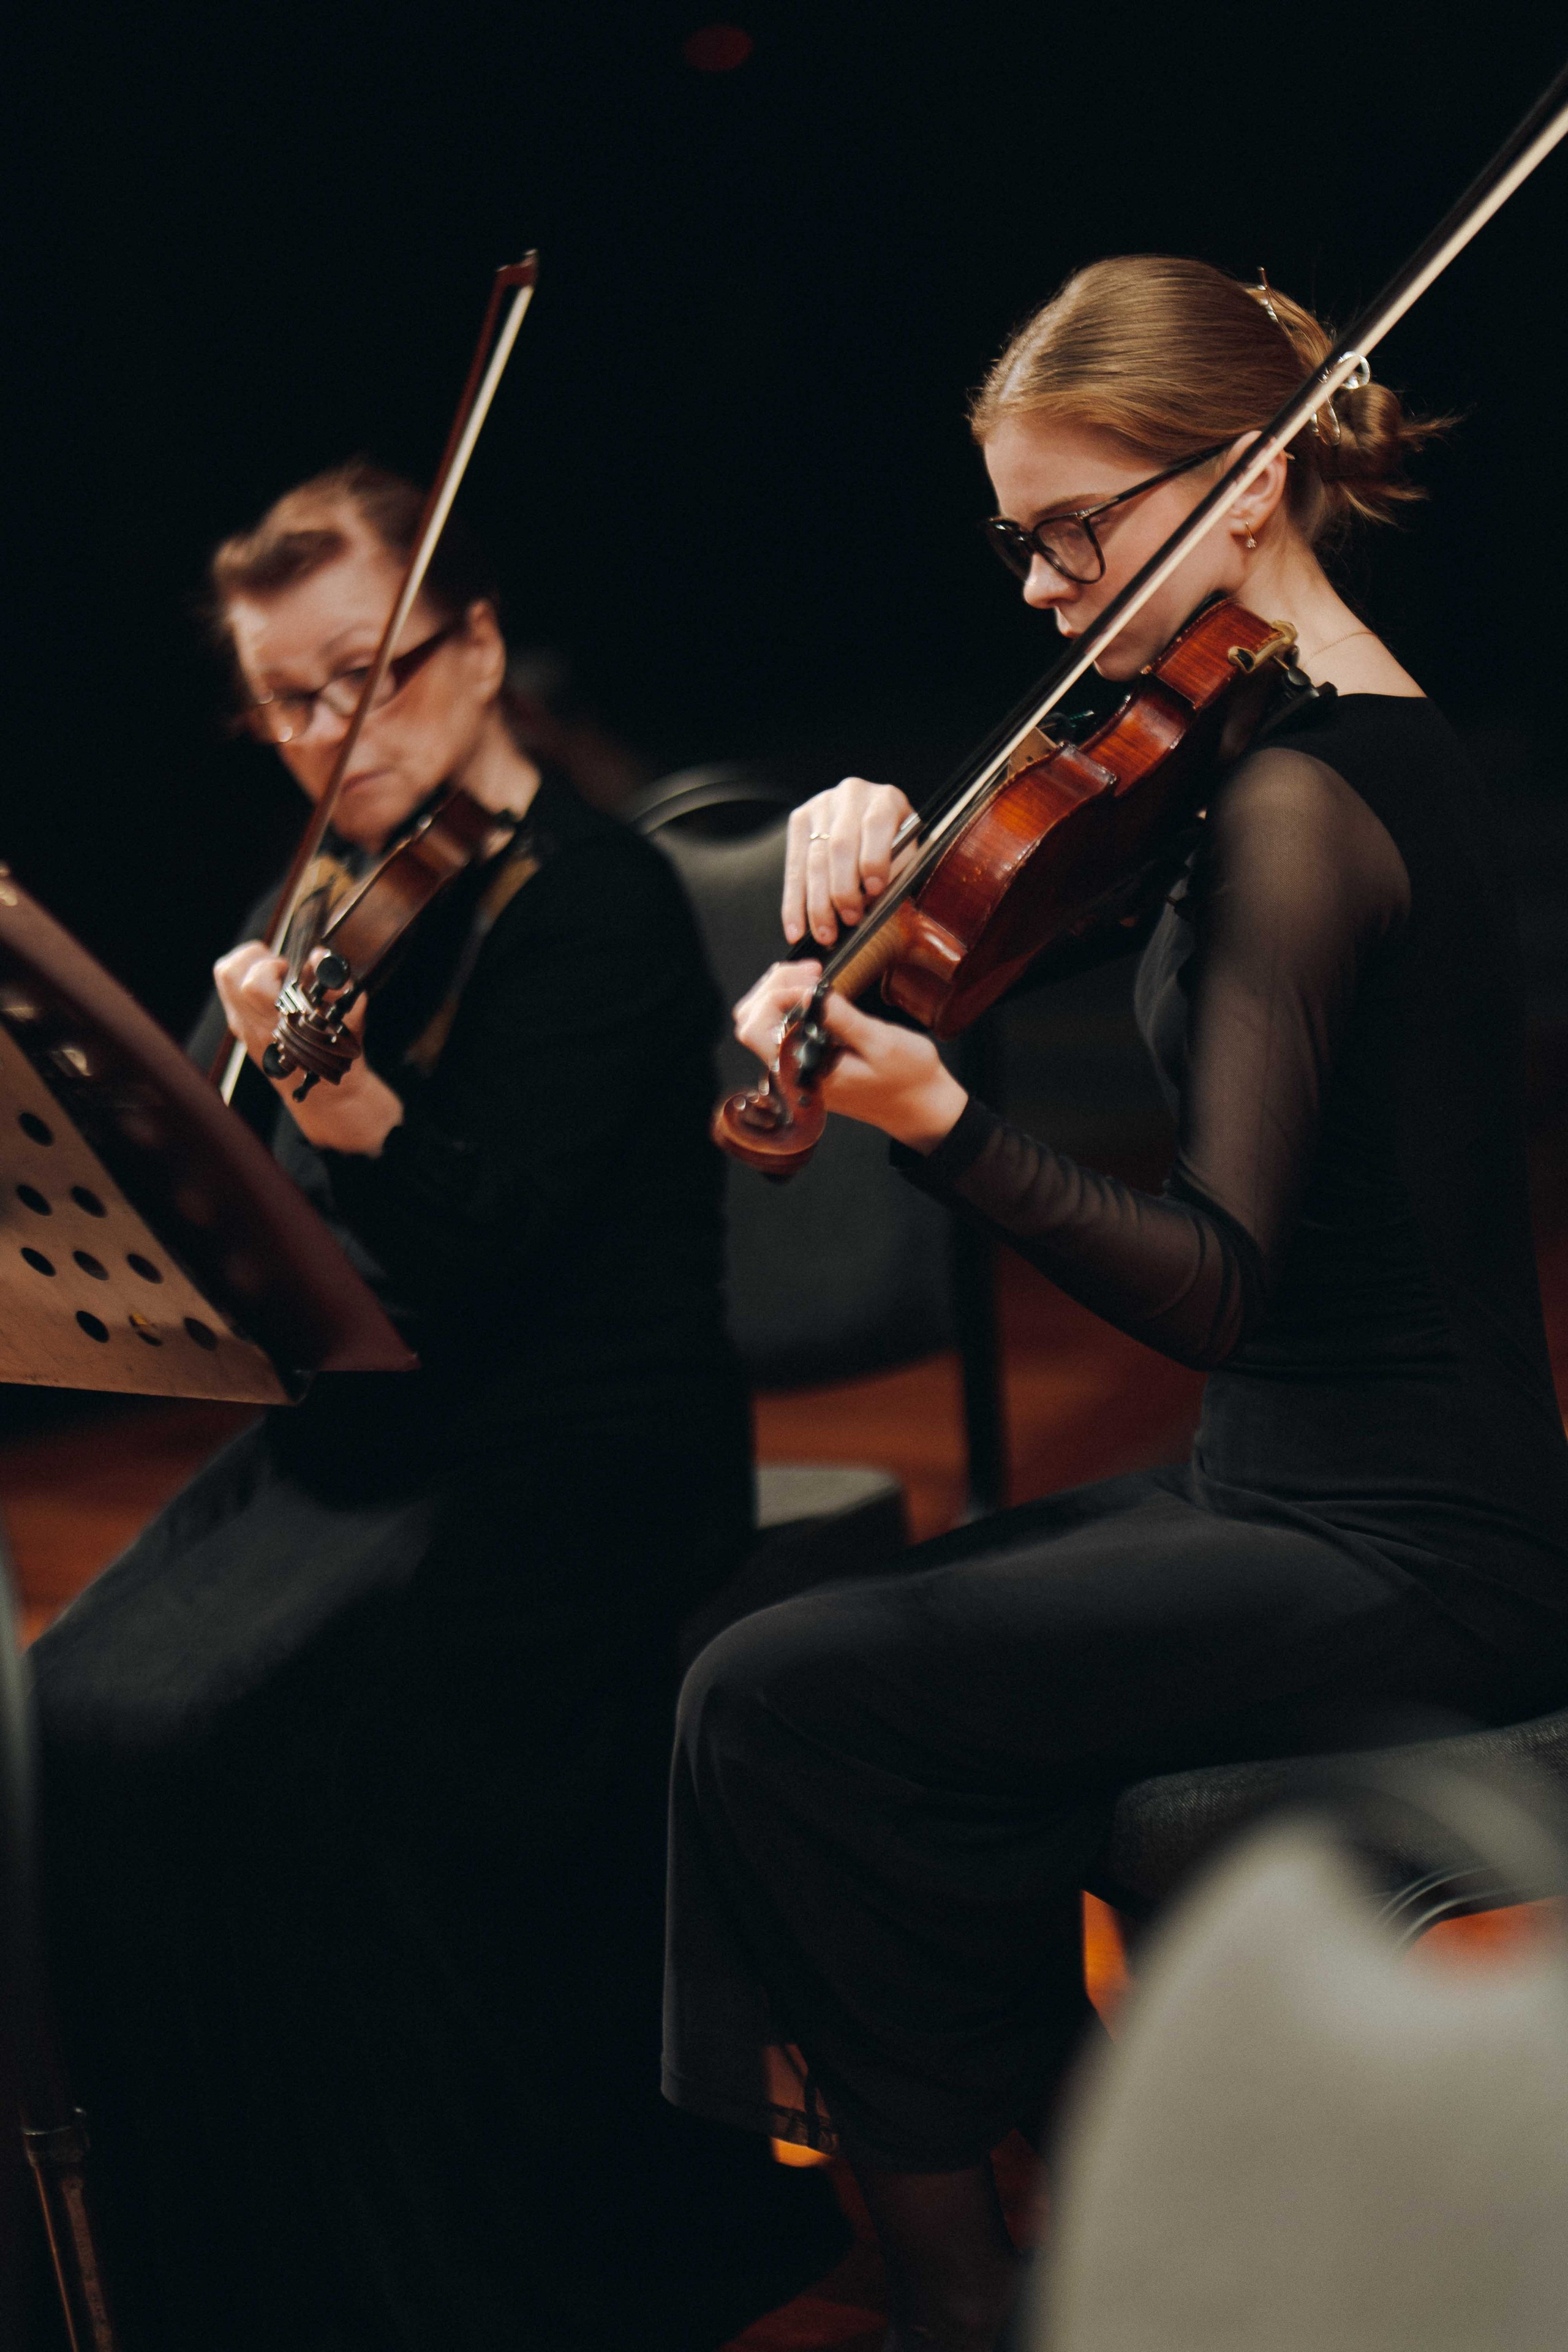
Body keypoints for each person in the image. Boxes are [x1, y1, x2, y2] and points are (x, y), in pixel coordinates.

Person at [663, 255, 1568, 2352]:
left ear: (1245, 488)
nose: (1049, 594)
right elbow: (1008, 924)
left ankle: (985, 2301)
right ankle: (1106, 2220)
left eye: (1083, 530)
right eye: (1023, 542)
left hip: (1418, 1542)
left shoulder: (1310, 806)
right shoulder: (1249, 748)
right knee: (774, 1669)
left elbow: (1217, 1289)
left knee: (782, 1701)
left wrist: (944, 1122)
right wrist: (869, 873)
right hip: (1290, 1500)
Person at [29, 461, 843, 2351]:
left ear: (471, 649)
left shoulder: (602, 901)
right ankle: (222, 2267)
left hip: (579, 1448)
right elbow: (285, 1229)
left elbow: (495, 1258)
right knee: (80, 1708)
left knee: (227, 1740)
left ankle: (431, 2283)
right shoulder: (328, 898)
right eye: (288, 701)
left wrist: (362, 1126)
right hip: (375, 1432)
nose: (332, 734)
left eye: (368, 674)